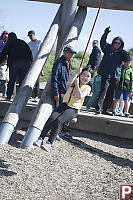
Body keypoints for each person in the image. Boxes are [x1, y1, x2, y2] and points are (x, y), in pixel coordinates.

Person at [34, 67, 91, 152]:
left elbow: (80, 96)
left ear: (90, 79)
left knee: (59, 120)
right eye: (83, 74)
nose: (85, 77)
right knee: (52, 117)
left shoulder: (87, 88)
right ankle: (40, 138)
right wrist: (76, 74)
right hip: (64, 105)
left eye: (88, 76)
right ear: (80, 74)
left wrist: (77, 84)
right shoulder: (74, 82)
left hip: (73, 109)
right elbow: (68, 83)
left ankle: (49, 143)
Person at [95, 26, 130, 114]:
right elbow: (102, 42)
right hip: (105, 74)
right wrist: (105, 33)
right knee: (103, 90)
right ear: (113, 42)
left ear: (121, 44)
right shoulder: (107, 48)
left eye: (119, 43)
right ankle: (98, 108)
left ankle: (105, 109)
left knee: (111, 93)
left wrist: (124, 52)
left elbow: (127, 59)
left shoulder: (122, 53)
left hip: (115, 76)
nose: (116, 44)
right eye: (115, 42)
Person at [51, 45, 76, 138]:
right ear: (64, 52)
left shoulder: (69, 62)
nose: (72, 55)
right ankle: (56, 132)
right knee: (59, 114)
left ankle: (62, 131)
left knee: (65, 113)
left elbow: (68, 77)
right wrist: (55, 92)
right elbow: (54, 78)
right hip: (60, 92)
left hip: (67, 92)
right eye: (70, 53)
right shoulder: (59, 62)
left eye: (73, 53)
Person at [0, 32, 33, 100]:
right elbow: (30, 53)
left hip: (14, 63)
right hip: (25, 63)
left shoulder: (9, 43)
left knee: (12, 80)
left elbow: (3, 55)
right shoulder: (23, 42)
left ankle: (9, 96)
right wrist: (31, 63)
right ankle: (21, 97)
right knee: (22, 81)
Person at [27, 30, 42, 102]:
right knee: (29, 80)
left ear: (34, 35)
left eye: (31, 35)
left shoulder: (40, 42)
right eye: (29, 36)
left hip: (38, 63)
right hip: (30, 63)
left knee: (37, 81)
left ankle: (36, 96)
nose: (30, 37)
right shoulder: (29, 44)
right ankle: (28, 95)